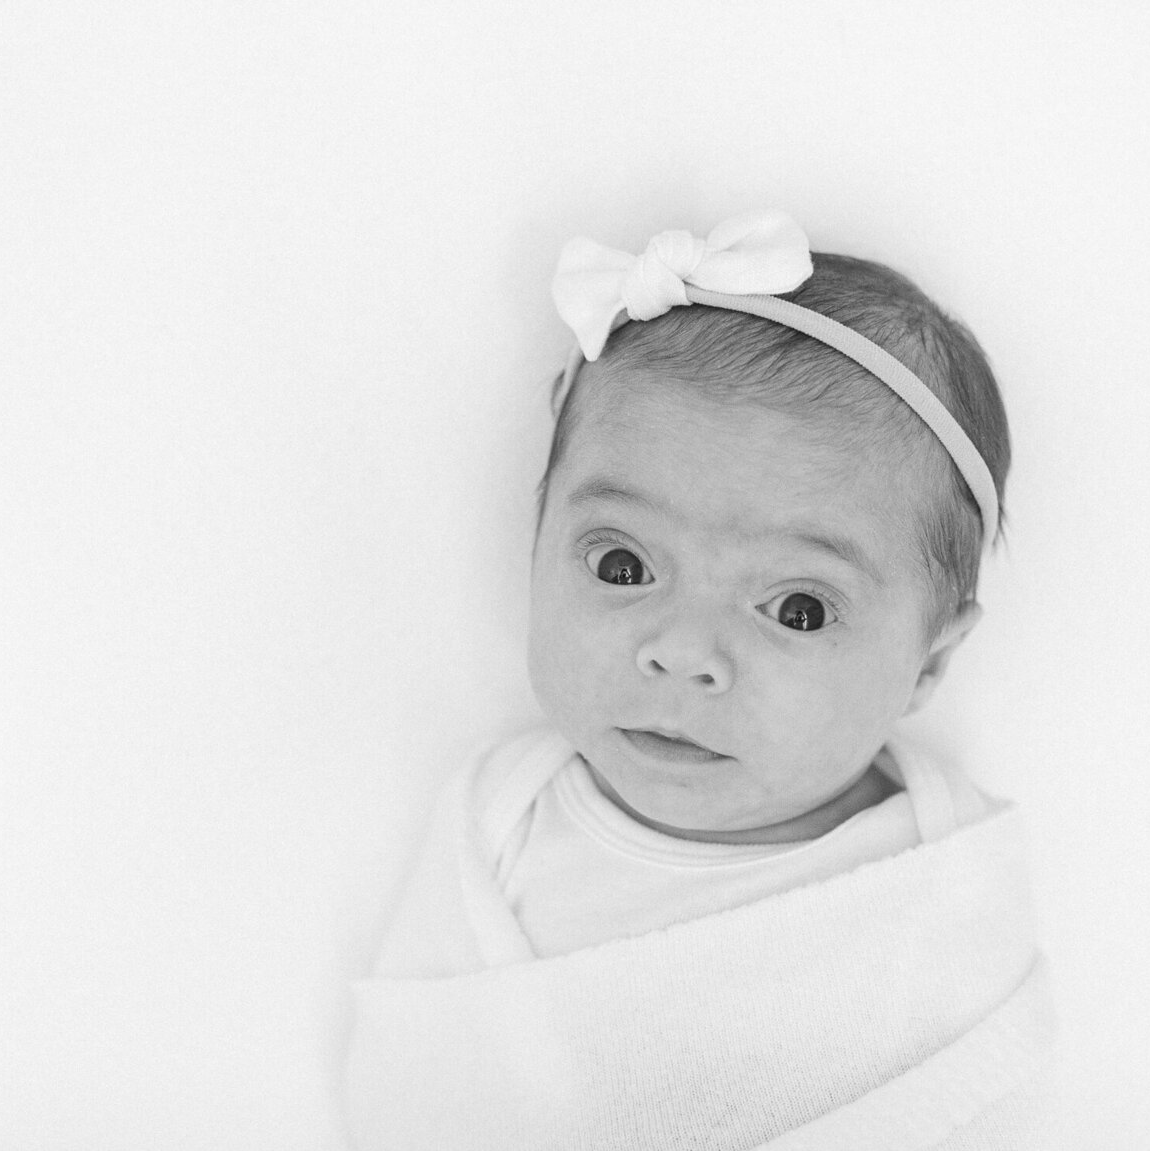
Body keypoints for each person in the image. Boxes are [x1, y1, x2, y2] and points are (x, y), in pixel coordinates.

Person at [345, 212, 1053, 1149]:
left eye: (798, 608)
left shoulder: (938, 871)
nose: (681, 651)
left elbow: (982, 1091)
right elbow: (417, 1081)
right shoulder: (495, 823)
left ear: (928, 660)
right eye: (622, 565)